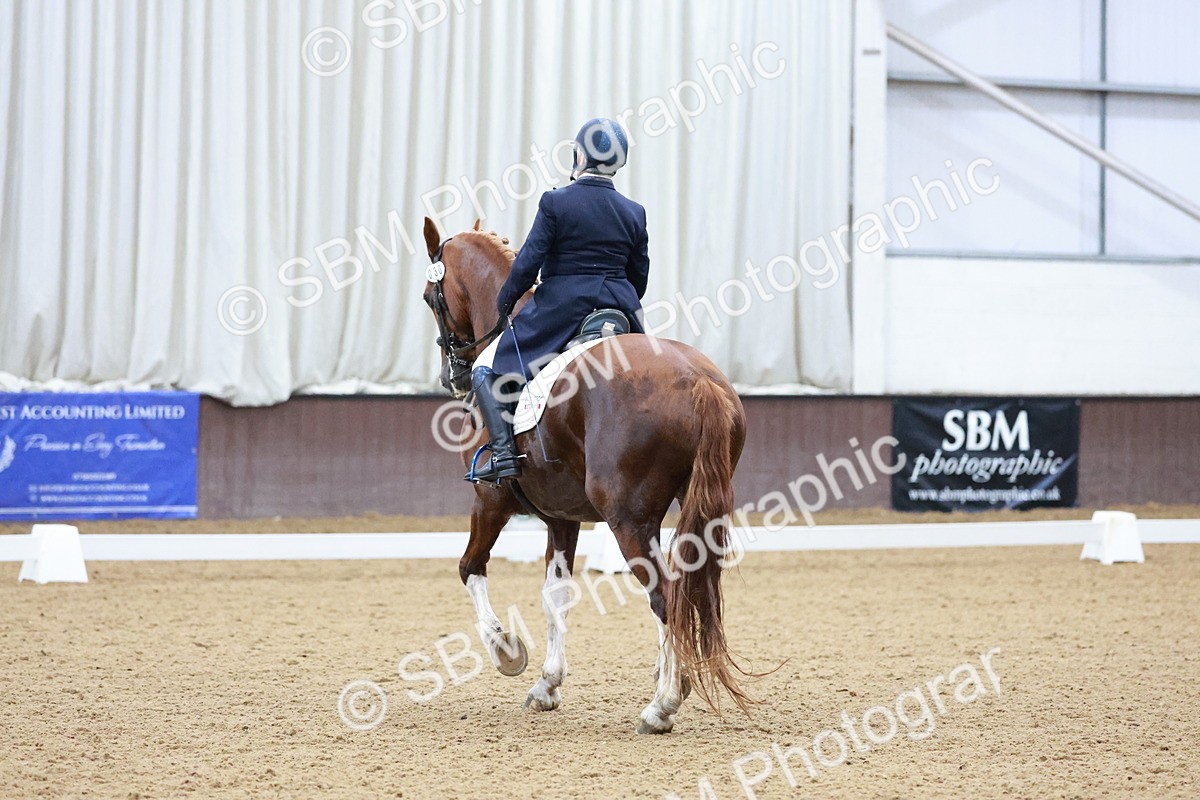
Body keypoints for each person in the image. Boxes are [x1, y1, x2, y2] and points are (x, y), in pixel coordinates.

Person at [466, 117, 649, 483]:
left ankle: (503, 455)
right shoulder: (634, 211)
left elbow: (527, 265)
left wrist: (505, 303)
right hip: (620, 310)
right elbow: (639, 278)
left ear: (579, 157)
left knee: (484, 368)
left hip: (563, 311)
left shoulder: (555, 202)